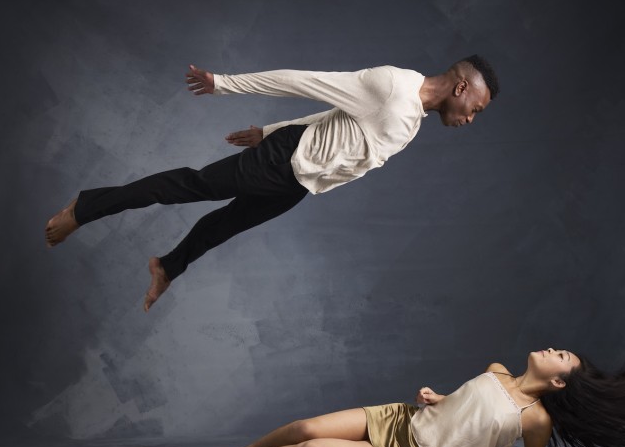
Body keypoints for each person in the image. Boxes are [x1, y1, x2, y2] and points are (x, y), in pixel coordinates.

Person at [44, 55, 501, 311]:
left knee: (224, 225)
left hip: (298, 179)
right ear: (461, 88)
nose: (470, 119)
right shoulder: (392, 87)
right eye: (476, 110)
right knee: (189, 186)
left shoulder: (414, 118)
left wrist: (269, 130)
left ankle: (166, 266)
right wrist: (224, 84)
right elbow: (305, 82)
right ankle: (84, 208)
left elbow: (336, 115)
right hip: (284, 160)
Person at [182, 348, 625, 447]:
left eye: (561, 356)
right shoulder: (496, 370)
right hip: (400, 420)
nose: (552, 348)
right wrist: (438, 397)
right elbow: (465, 406)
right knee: (303, 428)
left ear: (559, 382)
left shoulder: (536, 418)